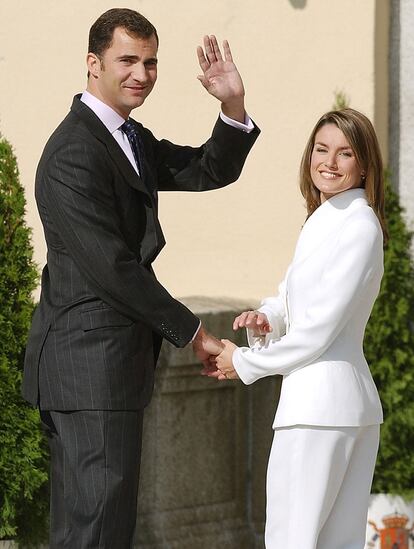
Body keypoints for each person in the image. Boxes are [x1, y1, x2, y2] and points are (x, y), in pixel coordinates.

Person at [22, 8, 259, 548]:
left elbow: (206, 168)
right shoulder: (73, 152)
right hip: (88, 369)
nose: (142, 74)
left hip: (109, 368)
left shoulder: (126, 136)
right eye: (127, 60)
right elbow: (114, 269)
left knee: (102, 530)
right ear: (93, 62)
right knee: (94, 533)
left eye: (151, 62)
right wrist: (195, 333)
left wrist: (232, 105)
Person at [209, 108, 386, 548]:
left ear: (363, 165)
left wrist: (245, 361)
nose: (329, 161)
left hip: (319, 410)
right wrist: (268, 318)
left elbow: (320, 329)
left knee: (292, 540)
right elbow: (293, 297)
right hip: (334, 408)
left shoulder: (358, 227)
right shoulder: (324, 219)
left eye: (345, 153)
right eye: (322, 149)